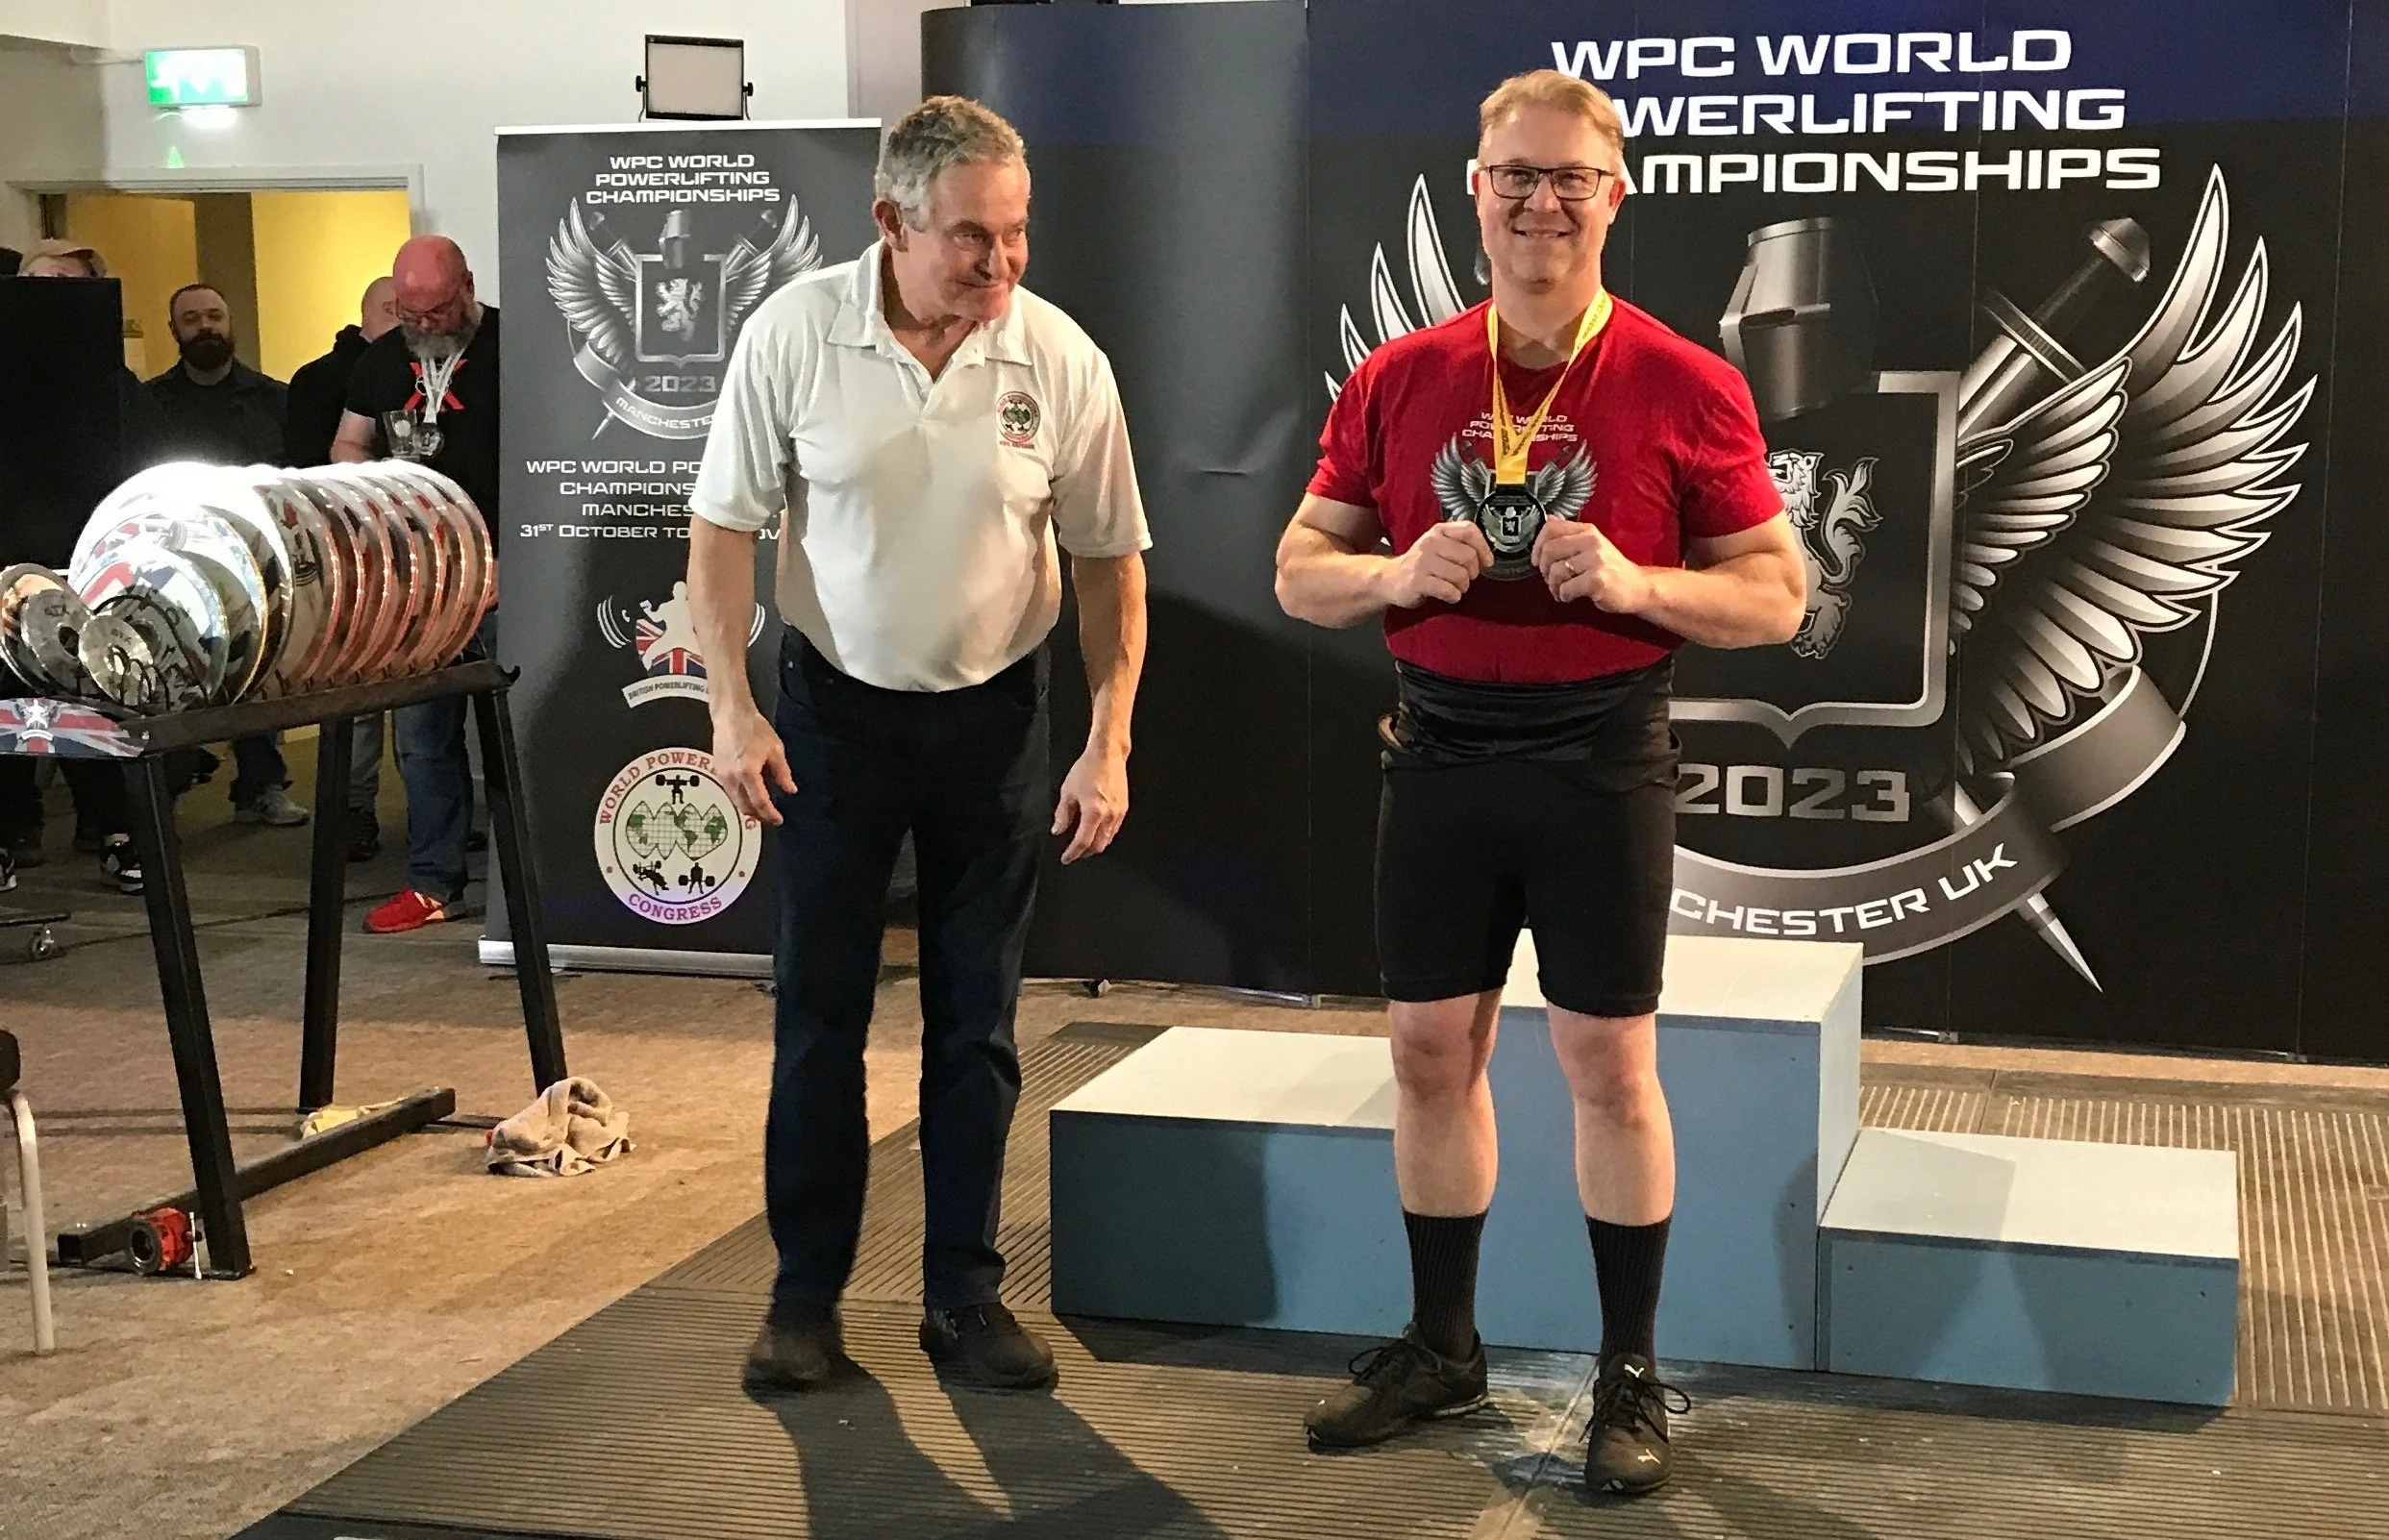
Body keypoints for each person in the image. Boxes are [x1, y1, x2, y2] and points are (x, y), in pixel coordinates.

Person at [1273, 69, 1805, 1496]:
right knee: (1426, 1054)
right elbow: (1295, 568)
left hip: (1597, 759)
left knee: (1607, 1068)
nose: (1540, 200)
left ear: (1613, 193)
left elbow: (1778, 598)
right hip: (1438, 751)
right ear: (1475, 188)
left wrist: (1640, 581)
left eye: (1569, 176)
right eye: (1515, 174)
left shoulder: (1687, 381)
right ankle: (1444, 1345)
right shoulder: (1400, 378)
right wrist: (1393, 568)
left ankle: (1627, 1372)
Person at [689, 96, 1149, 1395]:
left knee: (979, 1023)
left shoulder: (1057, 357)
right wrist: (731, 704)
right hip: (831, 713)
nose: (999, 266)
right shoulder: (794, 333)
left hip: (997, 719)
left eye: (1015, 237)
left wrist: (1107, 736)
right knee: (820, 1014)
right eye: (969, 239)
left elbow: (1113, 561)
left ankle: (963, 1296)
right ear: (890, 223)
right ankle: (802, 1300)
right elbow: (723, 528)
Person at [333, 236, 500, 931]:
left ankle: (543, 881)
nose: (422, 327)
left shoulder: (513, 349)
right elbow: (349, 442)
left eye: (433, 312)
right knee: (422, 739)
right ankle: (434, 882)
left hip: (502, 577)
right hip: (421, 585)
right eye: (408, 314)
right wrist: (363, 504)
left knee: (517, 734)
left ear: (465, 287)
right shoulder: (381, 360)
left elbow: (554, 457)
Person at [3, 238, 170, 893]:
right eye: (37, 289)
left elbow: (154, 471)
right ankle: (8, 836)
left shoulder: (120, 390)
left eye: (66, 290)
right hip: (9, 576)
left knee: (96, 703)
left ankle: (120, 833)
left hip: (92, 573)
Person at [146, 283, 311, 829]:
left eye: (214, 314)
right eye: (191, 318)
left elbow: (293, 481)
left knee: (253, 670)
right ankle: (164, 791)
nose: (205, 326)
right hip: (171, 559)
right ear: (175, 330)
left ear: (231, 321)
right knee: (168, 672)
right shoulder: (148, 404)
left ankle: (261, 785)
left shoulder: (275, 398)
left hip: (253, 557)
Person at [286, 275, 400, 860]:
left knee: (407, 698)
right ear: (385, 310)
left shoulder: (417, 371)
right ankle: (350, 812)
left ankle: (358, 814)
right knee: (358, 700)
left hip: (384, 555)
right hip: (348, 560)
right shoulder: (327, 380)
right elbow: (312, 472)